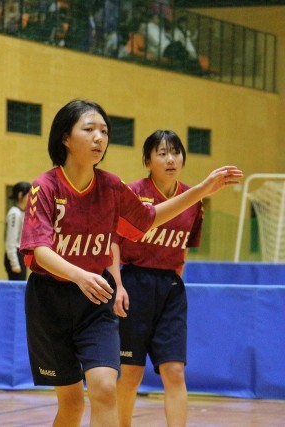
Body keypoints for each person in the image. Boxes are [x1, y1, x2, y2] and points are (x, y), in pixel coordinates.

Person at [19, 99, 242, 426]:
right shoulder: (46, 186)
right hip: (50, 300)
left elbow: (147, 219)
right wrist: (79, 275)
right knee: (72, 404)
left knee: (105, 388)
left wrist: (201, 190)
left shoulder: (111, 186)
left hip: (95, 300)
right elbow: (39, 251)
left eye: (104, 131)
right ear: (65, 137)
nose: (99, 137)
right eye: (89, 129)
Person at [110, 130, 202, 427]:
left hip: (171, 289)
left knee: (174, 371)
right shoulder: (132, 193)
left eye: (175, 152)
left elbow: (183, 248)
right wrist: (118, 285)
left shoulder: (193, 200)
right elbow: (112, 242)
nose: (170, 159)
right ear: (147, 161)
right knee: (130, 372)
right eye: (162, 153)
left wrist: (174, 281)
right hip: (133, 284)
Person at [4, 181, 31, 280]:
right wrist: (14, 263)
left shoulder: (23, 213)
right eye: (29, 194)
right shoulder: (15, 214)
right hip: (15, 255)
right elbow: (11, 241)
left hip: (21, 254)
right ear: (20, 195)